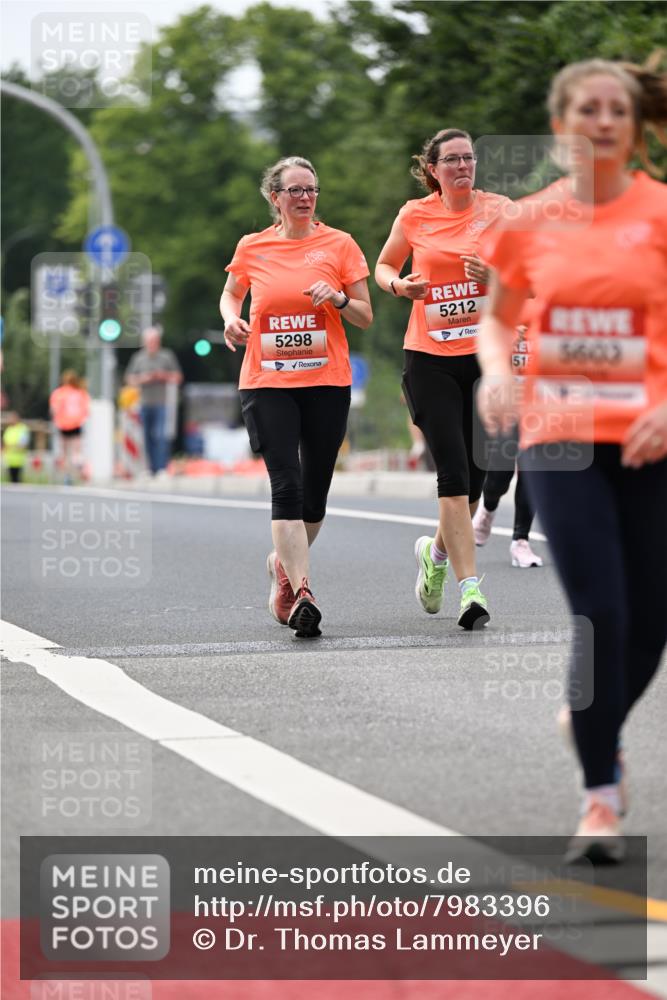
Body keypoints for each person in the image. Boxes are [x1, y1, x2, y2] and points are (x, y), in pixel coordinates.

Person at [477, 56, 667, 861]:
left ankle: (591, 719)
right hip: (559, 436)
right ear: (560, 125)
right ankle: (599, 798)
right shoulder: (527, 221)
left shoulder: (659, 212)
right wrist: (496, 373)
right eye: (586, 109)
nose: (602, 121)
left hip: (650, 438)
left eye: (616, 110)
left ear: (635, 126)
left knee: (651, 621)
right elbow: (497, 319)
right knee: (600, 614)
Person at [220, 156, 372, 638]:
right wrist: (230, 318)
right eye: (295, 190)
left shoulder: (340, 244)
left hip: (326, 382)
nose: (305, 198)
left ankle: (281, 565)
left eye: (312, 190)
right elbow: (231, 293)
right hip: (267, 383)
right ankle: (302, 591)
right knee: (286, 484)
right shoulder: (253, 246)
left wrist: (339, 299)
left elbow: (366, 316)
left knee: (316, 492)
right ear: (275, 197)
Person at [375, 129, 512, 629]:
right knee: (452, 473)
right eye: (452, 159)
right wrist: (399, 285)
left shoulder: (499, 210)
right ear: (432, 169)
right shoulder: (415, 214)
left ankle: (433, 556)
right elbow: (384, 266)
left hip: (485, 358)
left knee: (476, 478)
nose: (463, 166)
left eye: (469, 157)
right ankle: (470, 590)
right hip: (429, 358)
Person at [473, 323, 543, 567]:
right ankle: (487, 509)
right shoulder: (503, 307)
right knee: (500, 474)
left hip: (540, 403)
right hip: (506, 401)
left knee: (532, 471)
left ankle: (520, 540)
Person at [125, 327, 183, 476]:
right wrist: (144, 378)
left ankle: (162, 468)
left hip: (163, 403)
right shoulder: (138, 358)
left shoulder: (167, 356)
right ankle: (149, 468)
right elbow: (129, 379)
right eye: (149, 341)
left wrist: (163, 376)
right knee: (146, 437)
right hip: (144, 403)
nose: (152, 344)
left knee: (161, 436)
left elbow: (178, 377)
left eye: (154, 341)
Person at [49, 370, 90, 484]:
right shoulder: (80, 393)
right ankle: (79, 467)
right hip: (76, 424)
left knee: (65, 452)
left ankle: (68, 475)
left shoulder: (59, 393)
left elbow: (54, 410)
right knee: (76, 450)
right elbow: (86, 410)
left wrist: (56, 420)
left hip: (63, 425)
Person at [2, 412, 30, 483]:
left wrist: (12, 446)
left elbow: (23, 445)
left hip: (19, 461)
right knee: (11, 481)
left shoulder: (22, 429)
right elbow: (5, 444)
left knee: (17, 482)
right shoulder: (9, 429)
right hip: (9, 460)